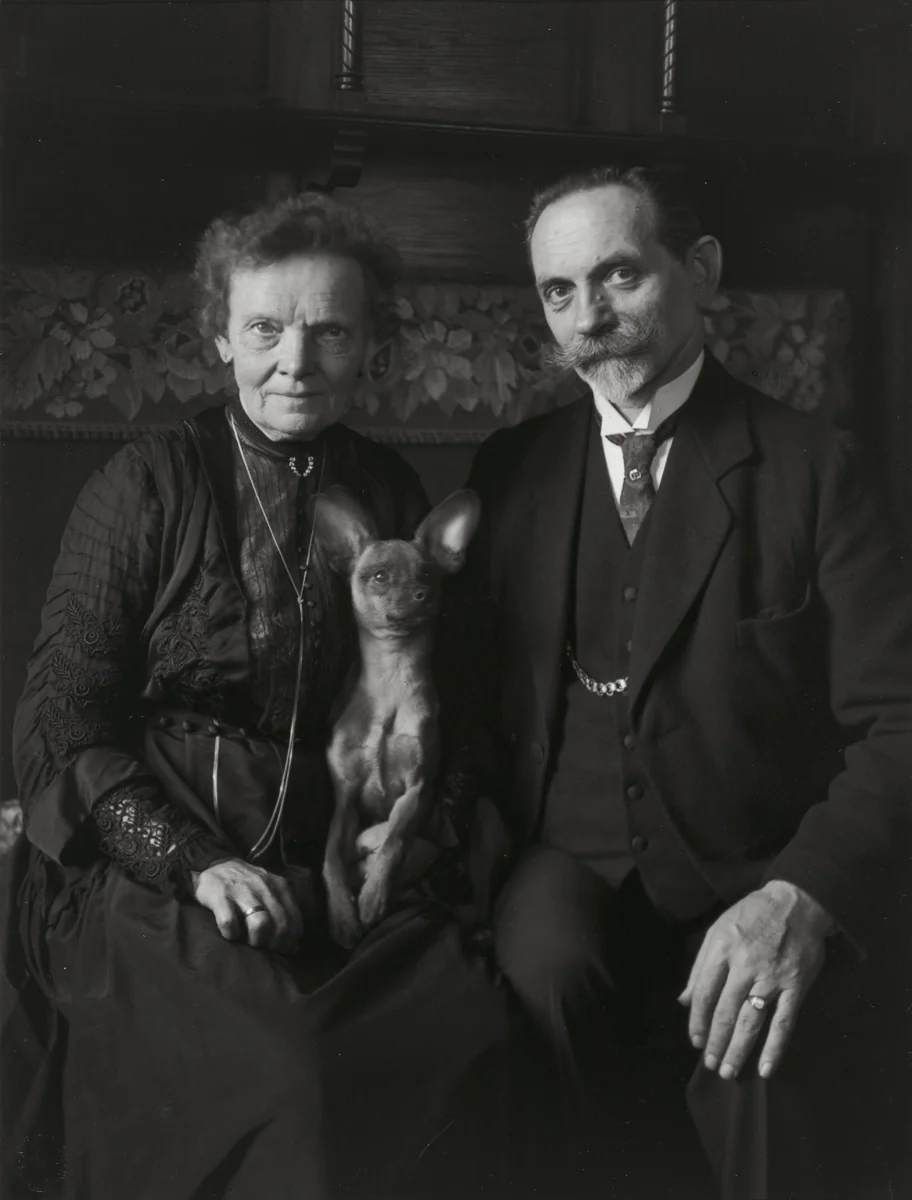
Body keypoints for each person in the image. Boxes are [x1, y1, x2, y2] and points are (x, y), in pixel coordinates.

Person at [0, 192, 510, 1200]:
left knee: (468, 1021)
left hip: (338, 851)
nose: (296, 361)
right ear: (220, 336)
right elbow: (64, 723)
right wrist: (197, 866)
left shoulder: (394, 491)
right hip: (160, 853)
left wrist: (410, 838)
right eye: (267, 329)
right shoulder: (145, 484)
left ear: (369, 346)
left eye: (330, 331)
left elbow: (457, 710)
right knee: (291, 1072)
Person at [438, 165, 912, 1198]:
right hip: (567, 864)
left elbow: (902, 721)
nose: (590, 319)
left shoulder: (814, 468)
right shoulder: (511, 470)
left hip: (758, 870)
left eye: (619, 277)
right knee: (535, 984)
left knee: (764, 1075)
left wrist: (804, 895)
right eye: (560, 292)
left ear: (699, 272)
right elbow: (465, 706)